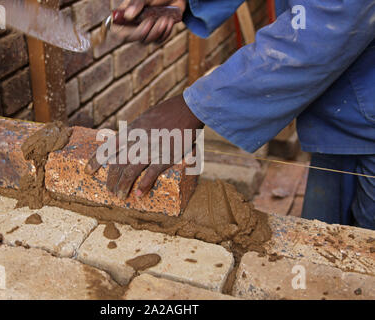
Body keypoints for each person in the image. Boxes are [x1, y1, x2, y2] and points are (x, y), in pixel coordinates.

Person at [86, 0, 375, 230]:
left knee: (360, 263)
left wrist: (193, 108)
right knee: (321, 249)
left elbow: (328, 24)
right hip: (339, 119)